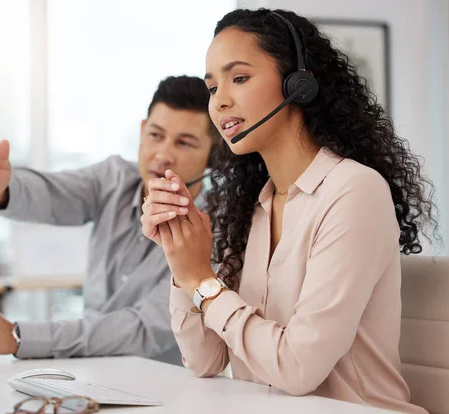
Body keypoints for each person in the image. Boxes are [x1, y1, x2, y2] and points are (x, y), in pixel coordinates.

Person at [141, 8, 437, 413]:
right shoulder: (251, 203)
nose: (220, 102)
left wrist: (203, 280)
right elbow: (205, 361)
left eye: (239, 78)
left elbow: (298, 368)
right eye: (212, 88)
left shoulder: (354, 191)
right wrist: (182, 261)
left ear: (297, 84)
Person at [0, 75, 220, 365]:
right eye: (155, 135)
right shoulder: (113, 179)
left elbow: (142, 328)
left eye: (184, 143)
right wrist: (0, 193)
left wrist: (19, 337)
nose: (162, 155)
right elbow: (52, 194)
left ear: (213, 155)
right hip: (87, 372)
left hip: (162, 389)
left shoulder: (213, 230)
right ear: (141, 131)